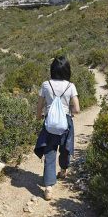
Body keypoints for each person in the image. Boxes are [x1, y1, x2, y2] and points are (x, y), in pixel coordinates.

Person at [34, 56, 80, 200]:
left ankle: (48, 187)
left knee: (50, 151)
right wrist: (69, 113)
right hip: (65, 122)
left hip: (50, 123)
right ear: (67, 70)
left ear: (53, 69)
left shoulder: (45, 85)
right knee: (65, 148)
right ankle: (63, 170)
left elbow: (40, 106)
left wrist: (39, 116)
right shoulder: (70, 86)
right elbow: (77, 109)